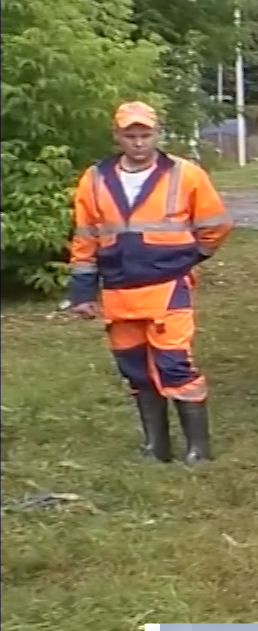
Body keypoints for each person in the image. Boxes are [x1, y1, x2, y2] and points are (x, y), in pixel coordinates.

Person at [67, 101, 233, 464]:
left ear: (157, 135)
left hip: (168, 288)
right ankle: (155, 447)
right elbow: (85, 238)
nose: (139, 143)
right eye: (131, 135)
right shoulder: (95, 179)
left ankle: (198, 450)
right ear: (117, 136)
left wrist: (192, 257)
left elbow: (216, 225)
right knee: (135, 369)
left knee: (175, 364)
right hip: (117, 292)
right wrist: (82, 293)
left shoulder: (185, 174)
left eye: (146, 135)